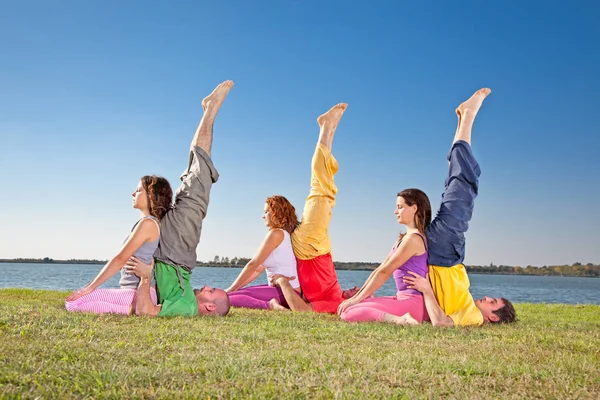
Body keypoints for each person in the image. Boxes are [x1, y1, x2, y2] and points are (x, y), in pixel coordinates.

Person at [402, 88, 517, 326]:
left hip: (444, 253)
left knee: (464, 186)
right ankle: (463, 120)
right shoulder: (471, 308)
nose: (487, 298)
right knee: (455, 184)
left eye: (492, 302)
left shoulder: (474, 317)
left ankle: (468, 116)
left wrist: (426, 290)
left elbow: (441, 324)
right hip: (449, 253)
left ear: (492, 317)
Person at [123, 80, 235, 317]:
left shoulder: (187, 307)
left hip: (175, 250)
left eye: (212, 290)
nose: (206, 286)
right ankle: (209, 111)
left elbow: (147, 313)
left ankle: (211, 109)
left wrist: (145, 279)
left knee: (199, 176)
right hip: (172, 252)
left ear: (210, 306)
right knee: (194, 175)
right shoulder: (187, 302)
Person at [269, 103, 356, 313]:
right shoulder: (338, 297)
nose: (358, 290)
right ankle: (329, 130)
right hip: (314, 246)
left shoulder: (335, 306)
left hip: (311, 247)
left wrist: (282, 282)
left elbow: (304, 312)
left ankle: (326, 128)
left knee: (321, 189)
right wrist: (347, 293)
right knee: (324, 190)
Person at [64, 176, 173, 314]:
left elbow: (120, 258)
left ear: (151, 196)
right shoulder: (146, 223)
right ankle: (130, 308)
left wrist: (90, 287)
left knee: (73, 304)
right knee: (74, 302)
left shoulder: (148, 224)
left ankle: (131, 310)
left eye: (139, 190)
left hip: (138, 294)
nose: (133, 194)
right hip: (130, 292)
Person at [336, 189, 431, 324]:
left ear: (414, 208)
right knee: (351, 306)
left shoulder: (414, 239)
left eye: (400, 207)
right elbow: (380, 269)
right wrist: (357, 297)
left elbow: (385, 272)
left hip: (413, 303)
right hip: (402, 299)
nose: (395, 211)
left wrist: (356, 299)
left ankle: (400, 320)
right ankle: (397, 317)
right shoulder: (403, 239)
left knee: (349, 313)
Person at [224, 196, 300, 309]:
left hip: (288, 293)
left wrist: (230, 289)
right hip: (281, 290)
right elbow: (258, 269)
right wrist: (234, 288)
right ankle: (270, 303)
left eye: (266, 212)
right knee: (236, 294)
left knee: (227, 298)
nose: (263, 216)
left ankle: (270, 305)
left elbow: (253, 264)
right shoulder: (281, 234)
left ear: (276, 212)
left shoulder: (276, 233)